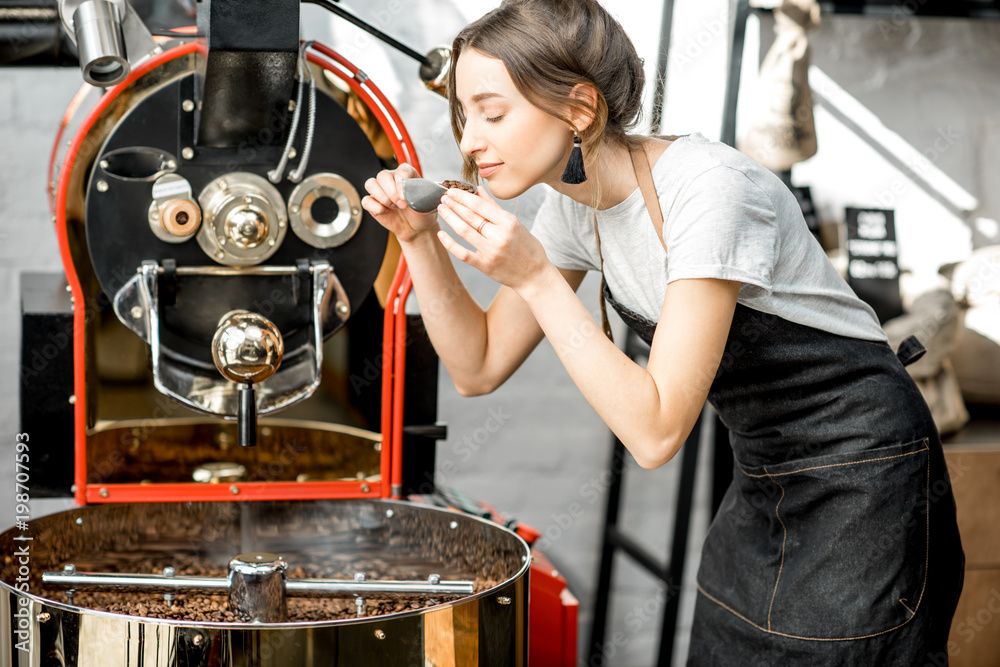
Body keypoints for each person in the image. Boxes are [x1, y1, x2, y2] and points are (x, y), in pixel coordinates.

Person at [361, 0, 965, 663]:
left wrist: (536, 277)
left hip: (865, 476)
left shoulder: (708, 191)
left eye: (493, 112)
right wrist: (419, 244)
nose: (470, 140)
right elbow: (477, 365)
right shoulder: (574, 209)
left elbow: (655, 433)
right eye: (464, 116)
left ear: (579, 109)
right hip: (766, 473)